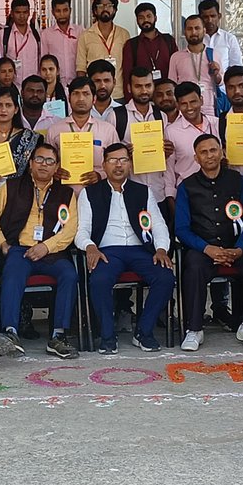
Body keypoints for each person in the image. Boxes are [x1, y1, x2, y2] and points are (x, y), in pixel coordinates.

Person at [175, 134, 243, 352]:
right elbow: (181, 229)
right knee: (193, 267)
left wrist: (240, 248)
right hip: (203, 249)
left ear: (221, 152)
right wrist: (207, 248)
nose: (209, 155)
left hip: (235, 247)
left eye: (213, 150)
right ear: (196, 158)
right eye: (203, 152)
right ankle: (194, 328)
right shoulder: (186, 187)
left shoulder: (238, 181)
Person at [77, 143, 174, 354]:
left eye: (123, 160)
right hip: (107, 251)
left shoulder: (143, 191)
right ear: (104, 165)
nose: (118, 165)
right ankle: (107, 336)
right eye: (113, 160)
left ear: (130, 164)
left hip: (141, 249)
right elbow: (82, 230)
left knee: (165, 277)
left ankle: (144, 332)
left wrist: (161, 249)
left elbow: (158, 224)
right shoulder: (89, 193)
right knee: (99, 280)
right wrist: (90, 246)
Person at [0, 143, 79, 360]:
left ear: (56, 167)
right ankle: (10, 333)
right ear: (30, 163)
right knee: (12, 274)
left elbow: (70, 228)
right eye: (39, 159)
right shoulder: (11, 186)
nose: (44, 165)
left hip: (52, 252)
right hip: (19, 250)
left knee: (69, 274)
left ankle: (58, 336)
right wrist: (2, 243)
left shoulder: (66, 193)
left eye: (50, 161)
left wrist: (46, 247)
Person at [0, 86, 41, 206]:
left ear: (16, 109)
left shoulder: (29, 138)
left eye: (8, 105)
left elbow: (34, 172)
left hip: (19, 197)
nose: (3, 110)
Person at [45, 77, 119, 184]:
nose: (81, 99)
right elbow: (47, 162)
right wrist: (55, 172)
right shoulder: (54, 130)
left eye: (86, 94)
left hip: (98, 189)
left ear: (94, 99)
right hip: (64, 191)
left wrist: (100, 175)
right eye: (76, 93)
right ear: (69, 98)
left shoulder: (108, 130)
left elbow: (116, 162)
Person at [163, 82, 219, 204]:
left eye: (193, 102)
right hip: (188, 193)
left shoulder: (217, 124)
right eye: (184, 104)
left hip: (218, 190)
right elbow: (169, 170)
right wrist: (171, 199)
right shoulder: (171, 131)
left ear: (201, 100)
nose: (189, 108)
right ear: (177, 105)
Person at [75, 0, 129, 86]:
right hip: (95, 90)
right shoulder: (85, 36)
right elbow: (81, 68)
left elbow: (128, 66)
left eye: (109, 6)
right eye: (101, 6)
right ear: (95, 11)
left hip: (118, 90)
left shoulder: (124, 34)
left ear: (114, 10)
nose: (105, 9)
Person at [122, 2, 177, 91]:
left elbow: (177, 67)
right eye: (141, 18)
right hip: (143, 92)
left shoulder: (168, 40)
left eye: (149, 16)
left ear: (155, 18)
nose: (145, 20)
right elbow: (127, 74)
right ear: (137, 21)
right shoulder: (131, 44)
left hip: (166, 93)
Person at [168, 15, 221, 106]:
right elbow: (172, 85)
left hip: (209, 106)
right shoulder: (176, 57)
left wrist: (216, 74)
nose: (193, 32)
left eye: (197, 28)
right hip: (186, 106)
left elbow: (220, 82)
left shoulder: (214, 54)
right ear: (184, 32)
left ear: (204, 31)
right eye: (189, 29)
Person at [112, 67, 163, 144]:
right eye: (138, 86)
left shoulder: (161, 115)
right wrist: (124, 149)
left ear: (153, 86)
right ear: (129, 88)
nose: (144, 91)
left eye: (148, 85)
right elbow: (109, 147)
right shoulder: (115, 116)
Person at [40, 0, 81, 84]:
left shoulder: (80, 32)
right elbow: (44, 60)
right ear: (53, 12)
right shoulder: (46, 34)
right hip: (55, 83)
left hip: (77, 82)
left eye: (65, 10)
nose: (62, 14)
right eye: (58, 11)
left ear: (70, 10)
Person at [197, 0, 243, 72]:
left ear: (219, 16)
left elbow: (237, 67)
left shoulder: (229, 39)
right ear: (199, 18)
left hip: (224, 79)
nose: (209, 20)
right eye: (205, 17)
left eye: (213, 16)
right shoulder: (196, 39)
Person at [2, 0, 41, 80]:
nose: (22, 16)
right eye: (18, 12)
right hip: (11, 84)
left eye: (25, 12)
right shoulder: (3, 35)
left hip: (32, 84)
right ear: (12, 13)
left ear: (29, 13)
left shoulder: (37, 34)